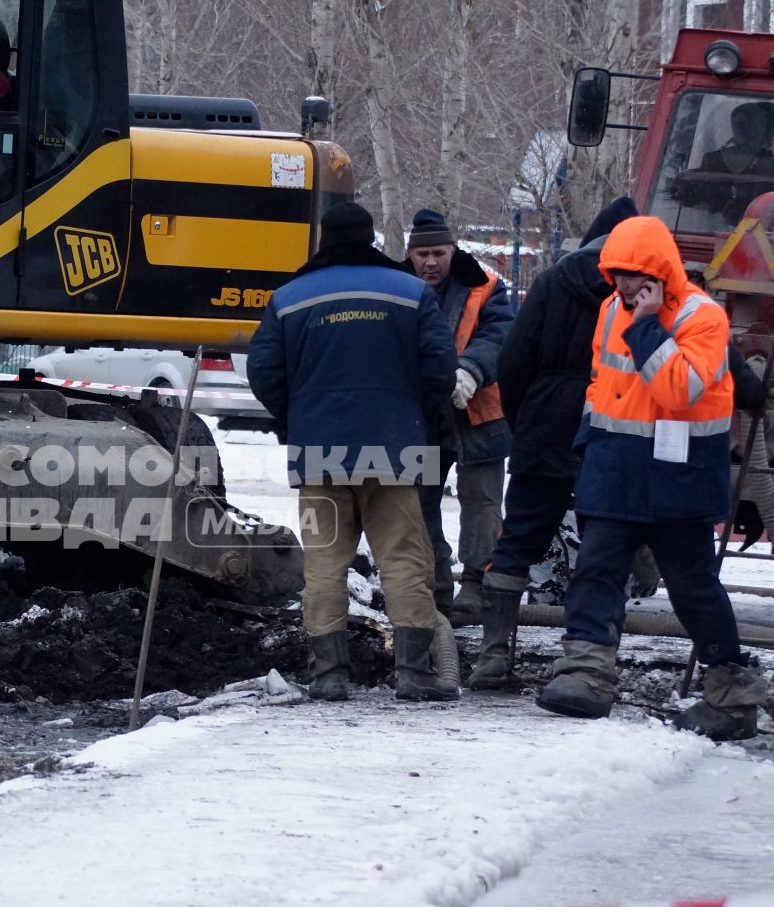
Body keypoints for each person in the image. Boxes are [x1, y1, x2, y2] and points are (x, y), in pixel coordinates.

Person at [535, 214, 771, 740]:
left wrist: (645, 327)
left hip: (679, 477)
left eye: (634, 274)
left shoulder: (703, 318)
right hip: (615, 466)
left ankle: (731, 698)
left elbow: (678, 390)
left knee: (693, 588)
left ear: (660, 272)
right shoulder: (607, 310)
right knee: (596, 571)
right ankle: (585, 676)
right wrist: (588, 445)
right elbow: (603, 384)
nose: (623, 285)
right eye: (617, 273)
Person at [248, 202, 460, 703]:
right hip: (396, 449)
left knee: (324, 564)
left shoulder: (288, 298)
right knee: (405, 559)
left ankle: (328, 676)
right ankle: (413, 673)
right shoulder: (412, 293)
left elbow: (264, 374)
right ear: (372, 240)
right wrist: (414, 418)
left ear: (323, 240)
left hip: (319, 450)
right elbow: (440, 369)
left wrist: (296, 418)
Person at [467, 196, 638, 690]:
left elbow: (515, 359)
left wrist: (527, 423)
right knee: (604, 548)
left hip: (544, 424)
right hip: (610, 428)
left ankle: (492, 656)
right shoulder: (645, 290)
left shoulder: (552, 281)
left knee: (517, 540)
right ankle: (588, 662)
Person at [403, 208, 513, 627]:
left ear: (453, 250)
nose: (431, 262)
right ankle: (434, 586)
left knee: (482, 501)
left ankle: (476, 582)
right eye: (423, 253)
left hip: (478, 414)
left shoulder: (485, 286)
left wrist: (470, 368)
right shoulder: (398, 286)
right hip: (422, 418)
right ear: (411, 254)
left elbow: (499, 335)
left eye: (439, 253)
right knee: (418, 502)